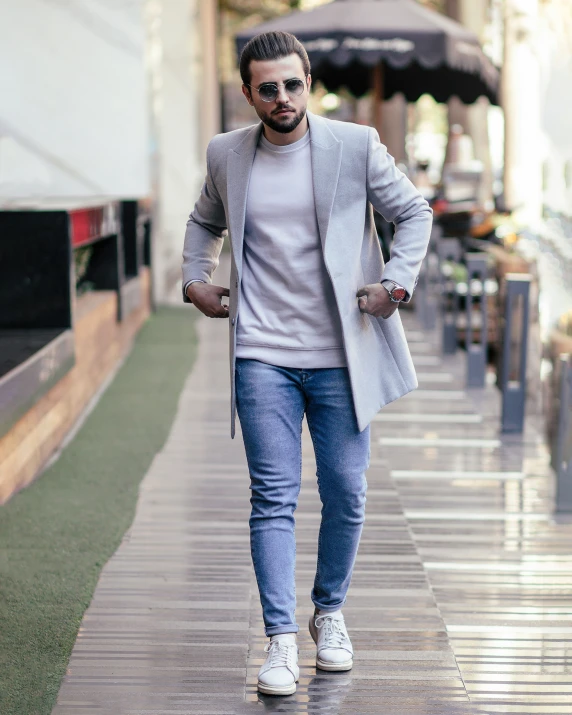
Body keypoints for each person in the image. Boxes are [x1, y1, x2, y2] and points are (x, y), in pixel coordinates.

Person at [182, 31, 432, 697]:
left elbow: (413, 211)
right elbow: (204, 221)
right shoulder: (227, 154)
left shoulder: (353, 146)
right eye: (268, 88)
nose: (282, 98)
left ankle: (329, 611)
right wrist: (194, 278)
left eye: (292, 85)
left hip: (340, 357)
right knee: (274, 496)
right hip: (262, 351)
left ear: (307, 82)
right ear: (248, 93)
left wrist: (396, 286)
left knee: (347, 491)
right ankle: (281, 639)